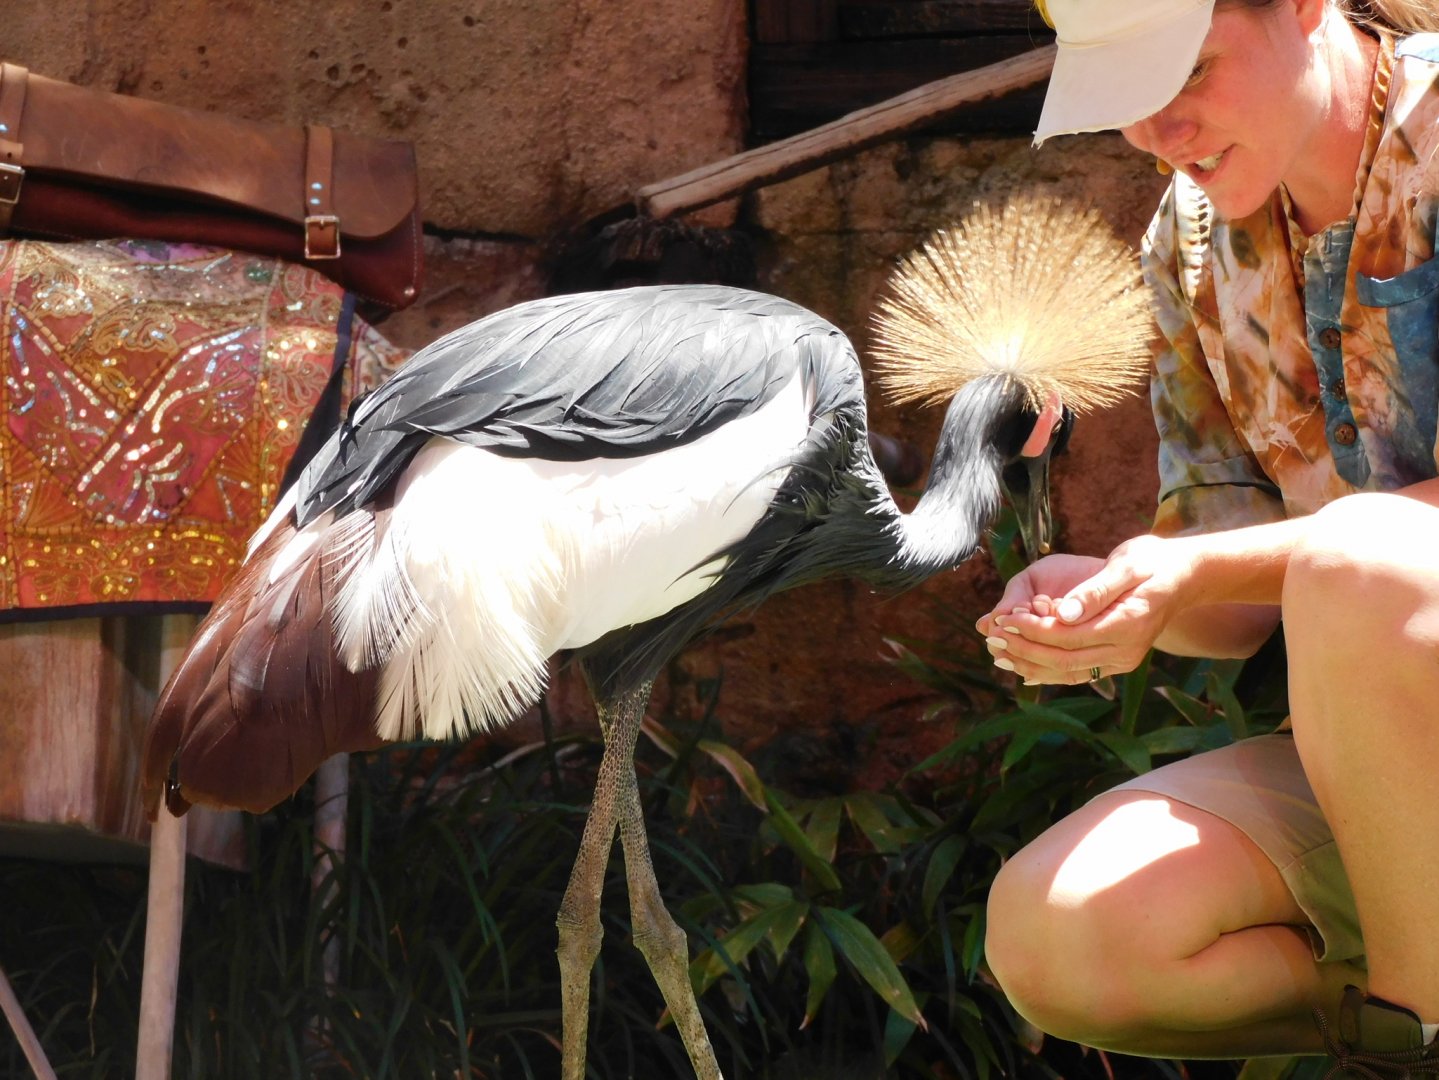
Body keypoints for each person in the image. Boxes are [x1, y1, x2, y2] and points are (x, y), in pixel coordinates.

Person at [977, 0, 1439, 1072]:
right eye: (1120, 93)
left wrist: (1197, 566)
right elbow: (1236, 599)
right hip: (1389, 776)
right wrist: (1126, 598)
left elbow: (1340, 570)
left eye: (1185, 71)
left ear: (1302, 8)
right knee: (1062, 935)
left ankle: (1405, 1040)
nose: (1155, 130)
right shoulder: (1185, 245)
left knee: (1350, 560)